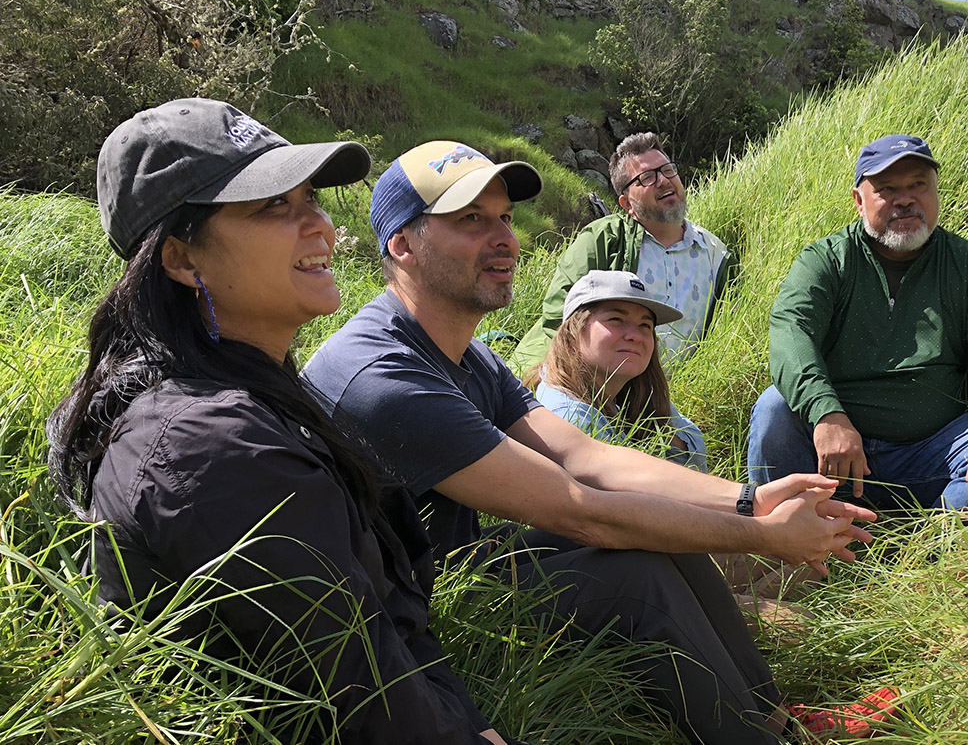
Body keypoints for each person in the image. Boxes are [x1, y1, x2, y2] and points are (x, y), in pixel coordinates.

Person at [303, 139, 888, 744]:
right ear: (401, 244)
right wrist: (764, 537)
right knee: (638, 575)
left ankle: (770, 718)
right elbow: (579, 513)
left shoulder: (468, 353)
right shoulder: (382, 374)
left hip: (456, 557)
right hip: (402, 611)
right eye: (470, 220)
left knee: (665, 537)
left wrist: (749, 499)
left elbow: (590, 457)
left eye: (503, 217)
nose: (503, 237)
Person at [45, 99, 523, 745]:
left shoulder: (259, 396)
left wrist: (476, 726)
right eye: (274, 205)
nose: (322, 228)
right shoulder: (207, 450)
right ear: (184, 260)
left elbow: (384, 625)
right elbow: (365, 698)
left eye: (311, 199)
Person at [747, 134, 968, 511]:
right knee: (774, 409)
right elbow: (790, 332)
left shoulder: (960, 261)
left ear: (934, 191)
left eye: (918, 185)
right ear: (858, 201)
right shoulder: (828, 260)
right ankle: (785, 541)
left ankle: (927, 551)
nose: (906, 199)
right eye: (886, 189)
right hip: (833, 458)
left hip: (933, 450)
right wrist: (826, 413)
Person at [513, 132, 735, 371]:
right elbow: (560, 314)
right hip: (592, 381)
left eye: (668, 170)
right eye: (647, 177)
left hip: (669, 394)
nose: (663, 181)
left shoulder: (715, 254)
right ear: (627, 204)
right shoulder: (605, 239)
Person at [529, 269, 707, 471]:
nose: (635, 336)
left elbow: (695, 449)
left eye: (645, 325)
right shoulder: (567, 416)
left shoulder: (635, 393)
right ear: (573, 331)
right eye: (616, 320)